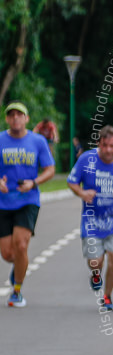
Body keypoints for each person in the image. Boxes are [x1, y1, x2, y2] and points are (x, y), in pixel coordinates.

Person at [66, 126, 113, 311]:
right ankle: (95, 275)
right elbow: (72, 181)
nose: (108, 150)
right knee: (95, 262)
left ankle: (107, 296)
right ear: (99, 143)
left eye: (112, 146)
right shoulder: (86, 160)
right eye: (104, 145)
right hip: (92, 220)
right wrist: (83, 193)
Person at [0, 102, 55, 307]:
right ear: (7, 119)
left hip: (28, 200)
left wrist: (34, 182)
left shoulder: (37, 141)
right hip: (3, 202)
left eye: (19, 114)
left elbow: (50, 169)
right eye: (11, 115)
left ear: (26, 119)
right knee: (8, 254)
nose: (15, 118)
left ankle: (16, 291)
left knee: (21, 245)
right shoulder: (0, 140)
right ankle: (20, 263)